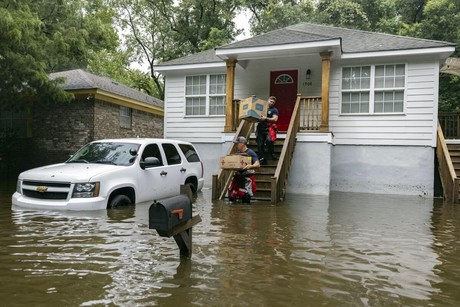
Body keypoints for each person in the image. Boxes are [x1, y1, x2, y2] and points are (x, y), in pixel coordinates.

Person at [228, 136, 260, 203]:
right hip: (238, 178)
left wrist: (250, 166)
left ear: (242, 143)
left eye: (237, 143)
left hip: (247, 179)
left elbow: (257, 164)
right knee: (231, 197)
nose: (236, 145)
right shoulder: (238, 153)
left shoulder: (250, 152)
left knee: (246, 199)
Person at [256, 96, 279, 165]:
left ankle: (271, 152)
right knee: (260, 144)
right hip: (260, 128)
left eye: (273, 102)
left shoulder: (274, 110)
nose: (272, 103)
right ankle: (262, 159)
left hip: (269, 128)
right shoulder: (261, 108)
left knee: (269, 140)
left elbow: (275, 119)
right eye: (271, 101)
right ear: (268, 100)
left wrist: (266, 118)